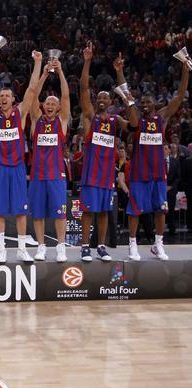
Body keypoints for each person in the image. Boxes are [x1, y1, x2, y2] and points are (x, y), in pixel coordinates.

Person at [79, 46, 138, 262]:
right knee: (87, 211)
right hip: (90, 176)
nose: (102, 99)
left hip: (106, 176)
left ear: (111, 102)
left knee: (104, 212)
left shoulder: (115, 121)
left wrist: (127, 98)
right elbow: (84, 89)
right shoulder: (90, 117)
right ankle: (85, 247)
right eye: (100, 97)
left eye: (106, 97)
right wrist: (87, 61)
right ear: (96, 101)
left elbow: (134, 124)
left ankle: (101, 246)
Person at [0, 47, 42, 263]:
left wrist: (37, 64)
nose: (3, 97)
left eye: (7, 95)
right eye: (2, 96)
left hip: (17, 167)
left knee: (20, 212)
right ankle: (1, 250)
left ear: (13, 99)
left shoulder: (21, 113)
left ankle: (21, 248)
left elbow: (33, 89)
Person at [126, 63, 188, 260]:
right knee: (135, 211)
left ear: (155, 104)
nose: (144, 105)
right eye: (142, 102)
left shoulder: (162, 117)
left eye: (148, 102)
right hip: (138, 173)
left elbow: (179, 96)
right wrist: (119, 72)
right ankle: (132, 245)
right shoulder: (136, 119)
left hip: (157, 174)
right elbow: (125, 94)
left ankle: (158, 244)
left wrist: (186, 70)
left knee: (161, 210)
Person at [27, 58, 71, 262]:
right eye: (48, 103)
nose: (51, 105)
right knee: (37, 213)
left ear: (59, 107)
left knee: (60, 213)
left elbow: (66, 95)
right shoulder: (37, 121)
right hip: (37, 175)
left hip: (56, 176)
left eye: (54, 103)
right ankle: (41, 246)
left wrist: (60, 72)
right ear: (44, 106)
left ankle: (61, 246)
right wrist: (44, 73)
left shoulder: (62, 122)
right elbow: (34, 95)